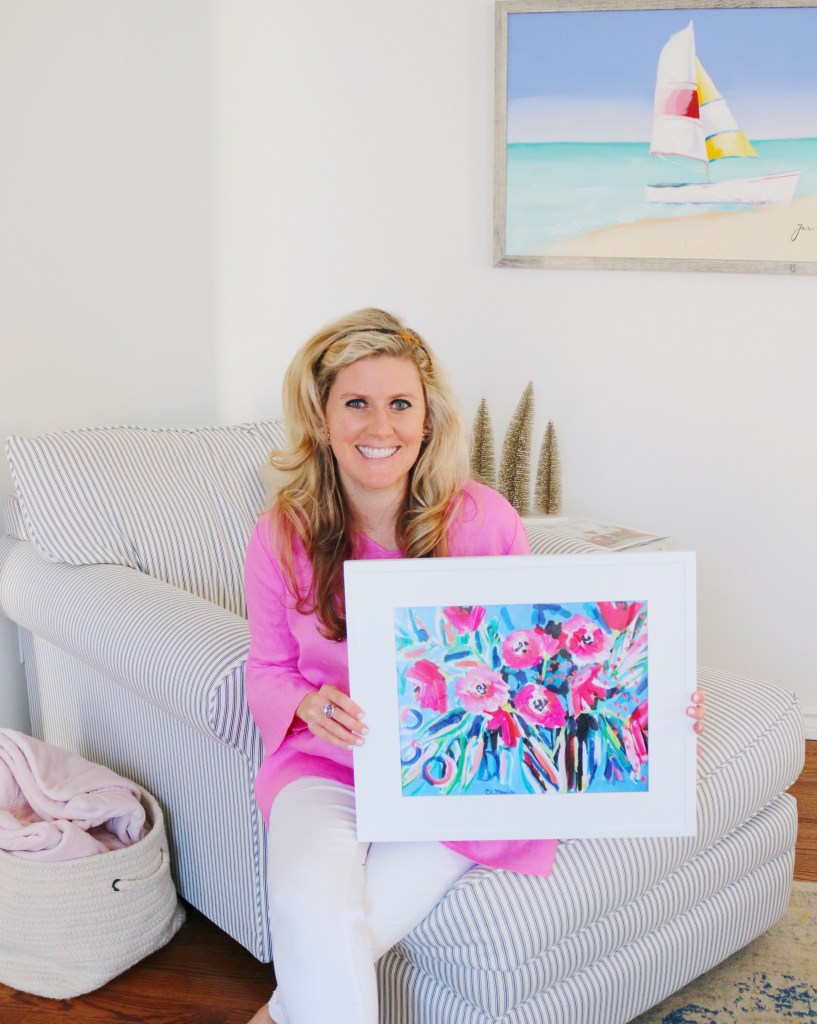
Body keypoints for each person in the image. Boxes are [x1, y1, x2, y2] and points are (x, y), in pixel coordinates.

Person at [243, 308, 705, 1024]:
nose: (380, 426)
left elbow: (543, 662)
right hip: (329, 763)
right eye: (356, 403)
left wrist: (657, 696)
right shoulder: (282, 533)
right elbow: (268, 669)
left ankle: (279, 1013)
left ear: (427, 418)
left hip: (459, 776)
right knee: (308, 898)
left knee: (343, 926)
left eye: (400, 404)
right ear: (322, 417)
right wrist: (305, 703)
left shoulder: (484, 520)